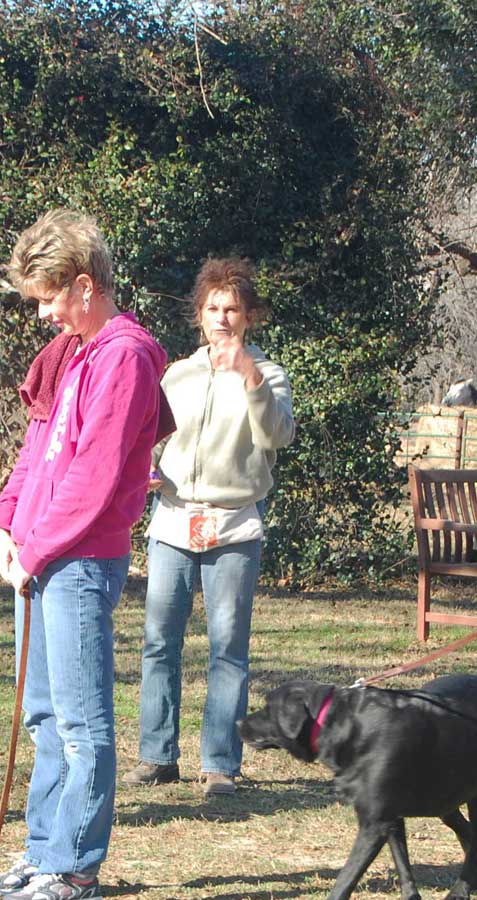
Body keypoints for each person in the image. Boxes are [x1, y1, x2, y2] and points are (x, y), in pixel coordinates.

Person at [0, 209, 167, 900]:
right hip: (35, 560)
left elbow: (93, 476)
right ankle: (45, 850)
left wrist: (37, 548)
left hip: (79, 561)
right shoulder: (77, 353)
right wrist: (6, 521)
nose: (44, 315)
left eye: (49, 298)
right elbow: (39, 452)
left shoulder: (126, 354)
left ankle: (77, 870)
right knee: (43, 716)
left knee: (82, 721)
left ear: (85, 284)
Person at [125, 257, 295, 797]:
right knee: (158, 641)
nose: (222, 319)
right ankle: (157, 755)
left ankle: (221, 763)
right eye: (213, 308)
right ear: (199, 315)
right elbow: (150, 435)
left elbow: (277, 437)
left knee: (227, 648)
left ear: (248, 318)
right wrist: (147, 470)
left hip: (234, 526)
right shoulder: (178, 373)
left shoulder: (268, 376)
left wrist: (248, 377)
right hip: (173, 521)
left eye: (233, 310)